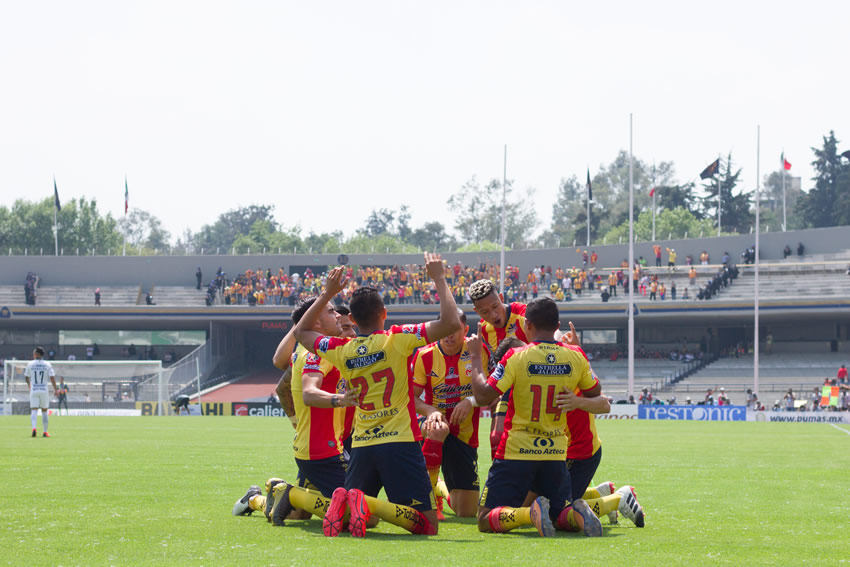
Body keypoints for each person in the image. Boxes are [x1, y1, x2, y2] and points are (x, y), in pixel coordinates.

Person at [294, 254, 461, 537]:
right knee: (427, 524)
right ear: (383, 312)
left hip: (361, 445)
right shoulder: (397, 337)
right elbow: (450, 323)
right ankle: (370, 504)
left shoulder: (341, 349)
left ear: (354, 320)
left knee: (361, 519)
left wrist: (327, 293)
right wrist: (440, 279)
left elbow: (300, 332)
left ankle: (361, 501)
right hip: (400, 441)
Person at [467, 297, 603, 537]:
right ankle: (576, 514)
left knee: (485, 518)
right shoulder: (576, 356)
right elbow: (594, 392)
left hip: (517, 451)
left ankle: (528, 513)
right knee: (558, 514)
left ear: (527, 325)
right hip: (555, 453)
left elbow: (483, 394)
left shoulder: (516, 357)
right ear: (557, 324)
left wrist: (476, 357)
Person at [235, 298, 363, 526]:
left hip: (338, 443)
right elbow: (284, 385)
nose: (351, 332)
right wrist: (298, 420)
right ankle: (289, 493)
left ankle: (256, 499)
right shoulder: (315, 354)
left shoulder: (343, 353)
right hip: (322, 449)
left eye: (353, 327)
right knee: (355, 513)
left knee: (299, 514)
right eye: (345, 327)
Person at [413, 310, 484, 520]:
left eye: (455, 330)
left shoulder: (477, 352)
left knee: (467, 511)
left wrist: (470, 401)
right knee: (438, 428)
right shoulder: (425, 355)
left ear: (466, 330)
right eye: (445, 329)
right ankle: (430, 497)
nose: (449, 335)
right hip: (432, 424)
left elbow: (491, 393)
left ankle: (439, 488)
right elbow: (411, 397)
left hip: (464, 433)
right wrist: (430, 411)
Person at [25, 347, 58, 437]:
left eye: (34, 352)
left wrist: (29, 386)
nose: (33, 354)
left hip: (34, 390)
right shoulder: (47, 364)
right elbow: (52, 378)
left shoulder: (30, 364)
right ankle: (45, 432)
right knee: (44, 410)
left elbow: (26, 377)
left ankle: (34, 428)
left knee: (34, 410)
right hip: (44, 390)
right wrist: (56, 390)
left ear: (37, 354)